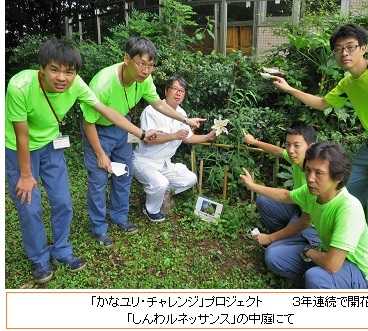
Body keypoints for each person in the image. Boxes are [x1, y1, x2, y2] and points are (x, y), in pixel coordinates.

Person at [5, 38, 154, 283]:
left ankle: (62, 250)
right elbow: (22, 135)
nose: (62, 77)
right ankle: (40, 260)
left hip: (51, 145)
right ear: (42, 68)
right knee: (29, 207)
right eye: (55, 69)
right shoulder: (19, 86)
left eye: (69, 72)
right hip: (19, 149)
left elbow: (106, 112)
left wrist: (141, 133)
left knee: (62, 201)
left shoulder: (77, 85)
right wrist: (25, 175)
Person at [269, 24, 368, 279]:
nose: (344, 53)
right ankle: (342, 248)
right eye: (338, 49)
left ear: (364, 48)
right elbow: (323, 103)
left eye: (350, 47)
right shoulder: (348, 82)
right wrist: (290, 89)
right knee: (347, 195)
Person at [81, 36, 203, 247]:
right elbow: (87, 122)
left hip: (123, 127)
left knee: (124, 174)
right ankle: (99, 227)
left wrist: (185, 119)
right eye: (141, 63)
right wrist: (100, 153)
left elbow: (158, 104)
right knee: (99, 181)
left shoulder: (145, 80)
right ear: (126, 59)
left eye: (150, 65)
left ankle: (119, 217)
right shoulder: (103, 83)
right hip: (98, 129)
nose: (146, 70)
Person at [240, 142, 368, 289]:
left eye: (319, 173)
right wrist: (252, 186)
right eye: (308, 171)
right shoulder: (312, 192)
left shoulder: (348, 208)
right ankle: (314, 282)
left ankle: (321, 283)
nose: (310, 178)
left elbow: (332, 265)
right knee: (274, 256)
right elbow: (285, 195)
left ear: (338, 177)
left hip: (358, 273)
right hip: (326, 254)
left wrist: (309, 252)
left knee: (316, 277)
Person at [132, 75, 217, 222]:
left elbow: (188, 137)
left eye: (182, 91)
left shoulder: (182, 114)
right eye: (175, 89)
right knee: (160, 183)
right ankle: (150, 209)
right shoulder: (151, 110)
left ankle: (156, 192)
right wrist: (174, 135)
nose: (178, 93)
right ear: (166, 91)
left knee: (190, 179)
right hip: (144, 161)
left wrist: (207, 137)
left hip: (165, 164)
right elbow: (149, 139)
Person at [243, 124, 316, 237]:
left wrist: (252, 186)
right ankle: (282, 235)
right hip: (298, 208)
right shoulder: (298, 158)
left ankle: (283, 240)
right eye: (288, 144)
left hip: (310, 223)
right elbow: (278, 151)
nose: (291, 151)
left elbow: (286, 196)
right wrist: (254, 142)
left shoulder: (315, 175)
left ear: (310, 147)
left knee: (273, 254)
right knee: (263, 200)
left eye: (297, 145)